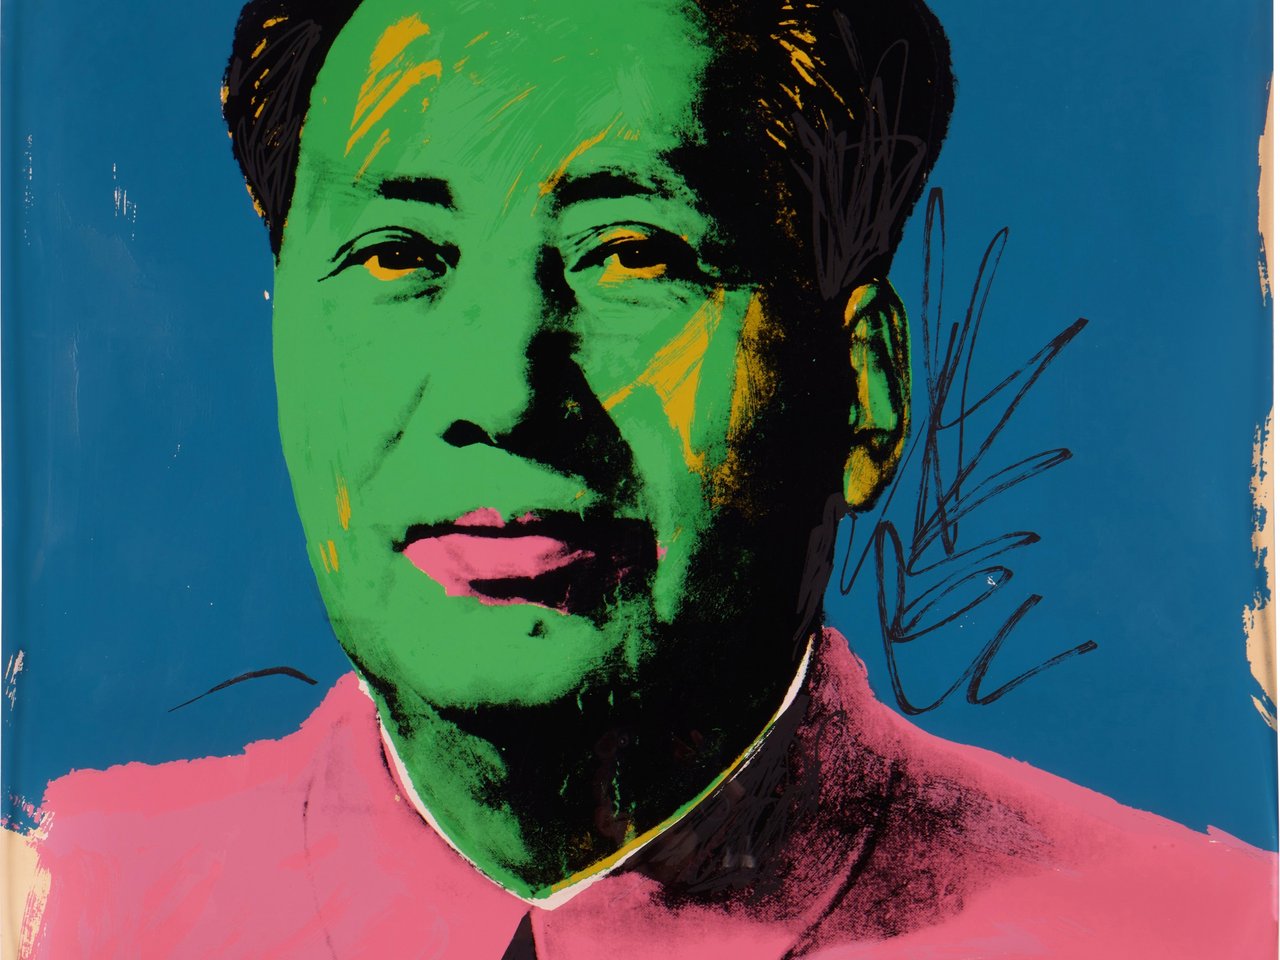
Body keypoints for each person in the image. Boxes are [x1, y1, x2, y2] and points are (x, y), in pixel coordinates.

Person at [14, 0, 1276, 956]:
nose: (502, 390)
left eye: (631, 254)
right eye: (399, 254)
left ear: (863, 390)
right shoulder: (66, 911)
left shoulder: (1199, 934)